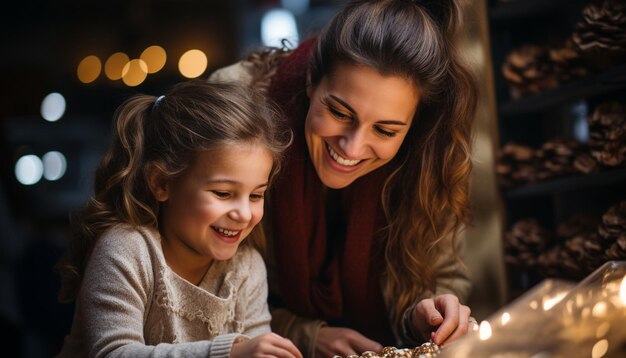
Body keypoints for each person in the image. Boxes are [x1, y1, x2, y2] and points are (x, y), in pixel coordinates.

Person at [209, 0, 479, 357]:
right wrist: (305, 335)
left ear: (414, 125)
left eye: (385, 130)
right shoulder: (233, 112)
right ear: (311, 81)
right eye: (338, 112)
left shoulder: (430, 155)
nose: (351, 147)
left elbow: (438, 273)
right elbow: (198, 291)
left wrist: (424, 314)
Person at [55, 80, 302, 358]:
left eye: (256, 196)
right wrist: (227, 354)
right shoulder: (125, 250)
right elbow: (113, 353)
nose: (244, 214)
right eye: (223, 193)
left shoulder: (246, 267)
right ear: (161, 184)